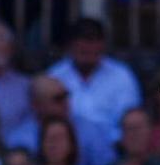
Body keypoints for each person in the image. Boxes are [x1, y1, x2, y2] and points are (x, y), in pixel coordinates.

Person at [48, 18, 142, 146]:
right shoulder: (54, 76)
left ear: (103, 45)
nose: (88, 47)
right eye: (83, 41)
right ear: (70, 44)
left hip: (113, 148)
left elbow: (130, 120)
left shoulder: (121, 75)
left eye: (93, 41)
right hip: (65, 148)